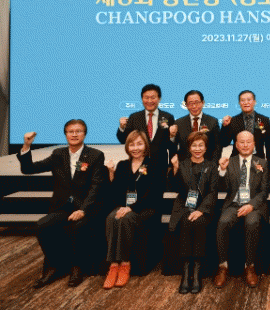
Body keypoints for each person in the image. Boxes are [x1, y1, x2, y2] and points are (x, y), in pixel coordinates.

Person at [17, 119, 106, 288]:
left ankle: (77, 268)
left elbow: (96, 187)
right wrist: (26, 146)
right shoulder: (58, 154)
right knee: (42, 225)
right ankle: (54, 266)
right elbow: (28, 169)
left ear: (84, 134)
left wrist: (83, 210)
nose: (74, 134)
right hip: (62, 207)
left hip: (85, 207)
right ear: (65, 134)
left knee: (78, 227)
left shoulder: (95, 155)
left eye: (78, 131)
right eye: (70, 131)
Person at [102, 130, 165, 289]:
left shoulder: (154, 164)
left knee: (126, 218)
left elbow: (154, 194)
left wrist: (131, 208)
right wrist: (111, 174)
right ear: (127, 147)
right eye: (131, 144)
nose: (135, 148)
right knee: (112, 218)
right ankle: (113, 265)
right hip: (125, 207)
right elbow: (115, 194)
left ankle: (125, 264)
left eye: (139, 144)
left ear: (146, 146)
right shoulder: (123, 165)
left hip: (146, 208)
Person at [213, 131, 269, 288]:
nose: (245, 145)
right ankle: (223, 266)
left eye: (248, 142)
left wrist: (251, 205)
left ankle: (249, 266)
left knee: (252, 223)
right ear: (236, 145)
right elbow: (222, 187)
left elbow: (264, 191)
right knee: (223, 222)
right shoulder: (229, 162)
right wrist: (222, 171)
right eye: (241, 142)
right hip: (234, 204)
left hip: (253, 205)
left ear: (254, 144)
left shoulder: (262, 163)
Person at [169, 132, 219, 294]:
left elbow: (212, 192)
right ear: (189, 148)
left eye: (201, 145)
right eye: (194, 145)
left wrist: (201, 210)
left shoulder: (211, 166)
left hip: (204, 209)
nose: (197, 149)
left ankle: (196, 273)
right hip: (184, 207)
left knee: (198, 222)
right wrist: (175, 168)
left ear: (206, 148)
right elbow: (176, 188)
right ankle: (185, 273)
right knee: (186, 221)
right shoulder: (182, 164)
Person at [117, 83, 176, 163]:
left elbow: (172, 146)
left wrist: (172, 136)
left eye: (153, 97)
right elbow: (123, 140)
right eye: (146, 98)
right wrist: (122, 128)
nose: (149, 101)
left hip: (161, 165)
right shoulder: (134, 117)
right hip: (138, 164)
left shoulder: (168, 117)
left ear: (159, 99)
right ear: (142, 99)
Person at [219, 90, 270, 171]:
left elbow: (269, 147)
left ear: (254, 102)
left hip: (258, 161)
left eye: (249, 100)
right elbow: (224, 143)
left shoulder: (264, 120)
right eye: (243, 100)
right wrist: (225, 127)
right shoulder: (233, 120)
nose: (246, 103)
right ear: (239, 103)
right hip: (237, 162)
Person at [174, 90, 221, 164]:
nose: (194, 106)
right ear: (186, 105)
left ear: (203, 103)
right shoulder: (179, 123)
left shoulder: (212, 121)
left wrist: (213, 165)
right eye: (190, 103)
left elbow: (217, 146)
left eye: (197, 103)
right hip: (184, 166)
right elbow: (174, 145)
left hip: (207, 165)